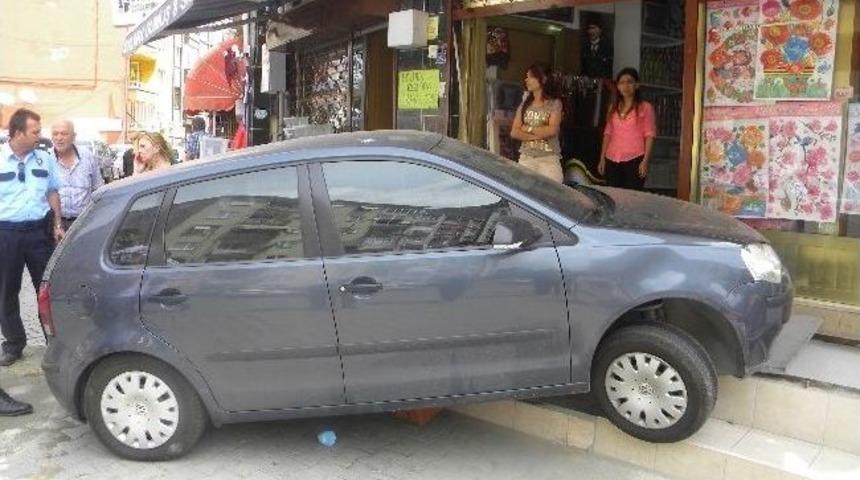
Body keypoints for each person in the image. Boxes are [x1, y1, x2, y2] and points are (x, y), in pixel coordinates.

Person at [0, 108, 64, 366]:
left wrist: (58, 224)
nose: (40, 136)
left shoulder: (44, 159)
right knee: (6, 290)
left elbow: (52, 192)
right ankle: (14, 343)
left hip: (39, 231)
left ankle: (54, 343)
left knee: (46, 290)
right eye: (35, 132)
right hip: (6, 232)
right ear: (18, 133)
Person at [598, 67, 656, 191]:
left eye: (629, 82)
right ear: (617, 86)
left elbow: (650, 135)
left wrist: (645, 161)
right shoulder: (612, 108)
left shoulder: (645, 108)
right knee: (613, 196)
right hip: (612, 158)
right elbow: (607, 134)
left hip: (634, 159)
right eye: (622, 83)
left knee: (631, 198)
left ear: (637, 85)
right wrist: (602, 158)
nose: (625, 86)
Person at [510, 63, 564, 182]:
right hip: (527, 158)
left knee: (552, 195)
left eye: (530, 77)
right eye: (526, 76)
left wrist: (527, 129)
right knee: (522, 195)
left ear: (543, 79)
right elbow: (514, 132)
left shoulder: (554, 103)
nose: (526, 80)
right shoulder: (525, 104)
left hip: (549, 159)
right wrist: (537, 135)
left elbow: (552, 130)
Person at [51, 120, 104, 230]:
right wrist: (56, 225)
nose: (59, 138)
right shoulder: (46, 160)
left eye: (64, 134)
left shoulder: (88, 157)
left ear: (73, 136)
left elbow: (99, 190)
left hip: (84, 223)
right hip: (55, 225)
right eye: (55, 134)